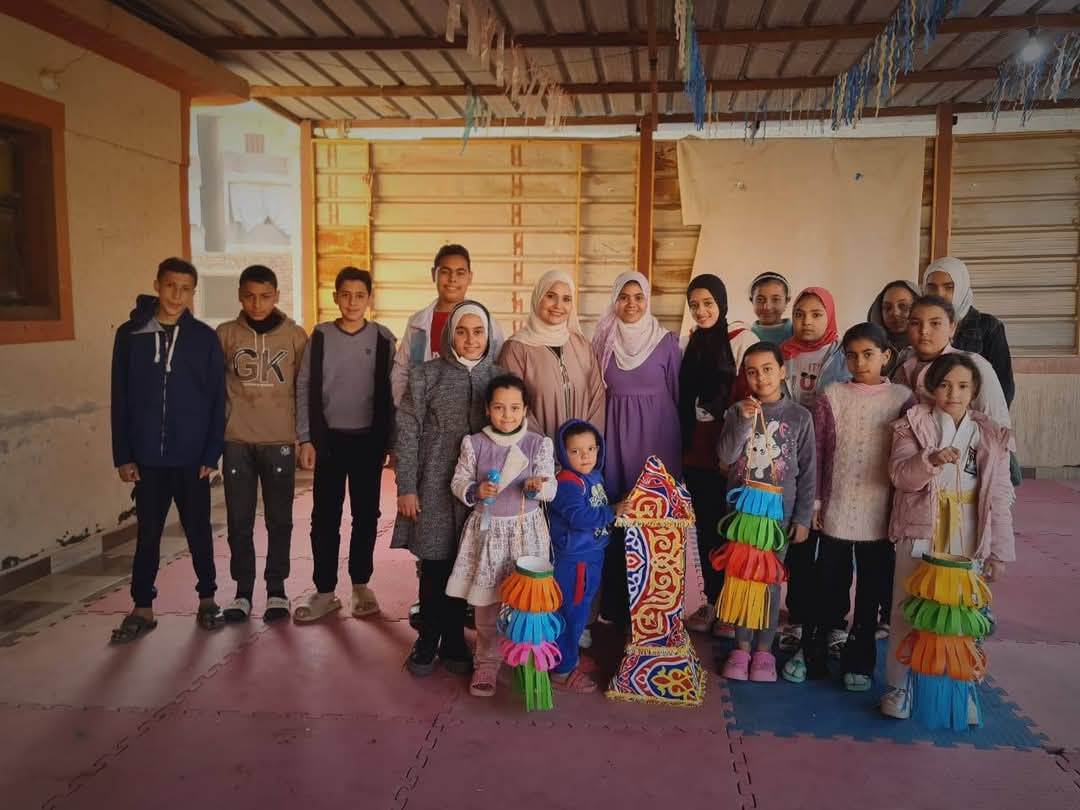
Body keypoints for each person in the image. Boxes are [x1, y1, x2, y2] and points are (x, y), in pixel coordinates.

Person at [881, 353, 1014, 721]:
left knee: (962, 613)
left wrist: (999, 552)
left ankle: (960, 688)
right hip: (920, 526)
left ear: (974, 391)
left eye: (963, 386)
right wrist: (931, 460)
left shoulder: (991, 435)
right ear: (931, 387)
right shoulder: (911, 425)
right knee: (907, 607)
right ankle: (900, 686)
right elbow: (900, 477)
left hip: (968, 532)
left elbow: (999, 495)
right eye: (945, 384)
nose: (953, 393)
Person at [783, 323, 915, 687]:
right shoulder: (833, 395)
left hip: (880, 512)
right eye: (852, 356)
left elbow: (907, 456)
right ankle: (810, 652)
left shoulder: (902, 399)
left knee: (871, 591)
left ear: (886, 356)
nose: (860, 363)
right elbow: (819, 451)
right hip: (836, 508)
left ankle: (859, 661)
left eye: (868, 354)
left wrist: (901, 511)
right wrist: (815, 504)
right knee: (826, 584)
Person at [109, 257, 226, 642]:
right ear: (157, 285)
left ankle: (207, 598)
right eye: (171, 286)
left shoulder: (204, 338)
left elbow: (217, 400)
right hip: (147, 459)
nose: (177, 295)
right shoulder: (130, 335)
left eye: (185, 289)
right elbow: (120, 397)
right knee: (148, 535)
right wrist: (124, 455)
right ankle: (142, 606)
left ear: (193, 293)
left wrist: (211, 454)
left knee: (199, 532)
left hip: (192, 459)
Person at [394, 301, 505, 677]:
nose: (470, 339)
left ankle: (456, 640)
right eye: (462, 331)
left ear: (488, 335)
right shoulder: (427, 374)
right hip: (434, 481)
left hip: (482, 486)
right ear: (449, 335)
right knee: (435, 563)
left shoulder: (498, 377)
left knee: (466, 562)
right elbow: (407, 431)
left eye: (478, 332)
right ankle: (428, 639)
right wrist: (407, 487)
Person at [293, 267, 395, 622]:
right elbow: (304, 386)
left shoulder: (383, 338)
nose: (352, 302)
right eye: (346, 295)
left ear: (370, 299)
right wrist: (306, 438)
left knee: (366, 515)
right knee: (325, 516)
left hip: (369, 441)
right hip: (329, 441)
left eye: (360, 295)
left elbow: (393, 394)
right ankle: (324, 591)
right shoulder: (320, 336)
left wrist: (392, 442)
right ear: (335, 297)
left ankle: (361, 585)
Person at [447, 375, 557, 697]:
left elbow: (550, 486)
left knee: (529, 601)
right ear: (487, 409)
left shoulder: (538, 443)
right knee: (488, 603)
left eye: (514, 408)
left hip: (527, 532)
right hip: (489, 534)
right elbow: (458, 481)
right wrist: (475, 490)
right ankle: (487, 661)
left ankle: (528, 658)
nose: (507, 415)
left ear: (525, 410)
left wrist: (537, 487)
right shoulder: (475, 443)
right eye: (499, 408)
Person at [716, 342, 815, 683]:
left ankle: (763, 651)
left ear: (782, 370)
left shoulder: (800, 417)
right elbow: (726, 457)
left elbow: (808, 472)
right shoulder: (736, 411)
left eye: (768, 369)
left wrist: (802, 518)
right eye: (752, 372)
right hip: (741, 513)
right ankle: (741, 648)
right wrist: (743, 422)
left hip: (778, 517)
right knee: (741, 578)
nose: (761, 378)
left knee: (769, 582)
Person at [217, 265, 309, 623]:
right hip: (236, 441)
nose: (257, 304)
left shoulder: (295, 337)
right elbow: (213, 391)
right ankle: (242, 592)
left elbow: (303, 390)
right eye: (250, 296)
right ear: (240, 296)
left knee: (279, 520)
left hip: (279, 441)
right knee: (238, 520)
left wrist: (304, 438)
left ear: (277, 296)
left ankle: (276, 590)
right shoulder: (225, 335)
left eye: (265, 296)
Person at [592, 271, 682, 627]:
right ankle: (615, 606)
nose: (631, 304)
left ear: (648, 300)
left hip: (658, 438)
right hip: (615, 436)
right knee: (619, 515)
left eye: (638, 297)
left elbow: (676, 391)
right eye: (624, 297)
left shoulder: (666, 341)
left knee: (653, 517)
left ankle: (654, 608)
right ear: (615, 300)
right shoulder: (603, 339)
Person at [678, 274, 757, 637]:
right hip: (697, 454)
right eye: (694, 305)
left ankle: (732, 608)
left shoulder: (740, 340)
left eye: (708, 303)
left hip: (731, 456)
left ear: (722, 303)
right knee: (707, 531)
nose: (701, 311)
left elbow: (751, 397)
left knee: (735, 531)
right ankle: (712, 601)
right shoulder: (692, 343)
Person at [778, 286, 851, 653]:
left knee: (836, 547)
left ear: (830, 316)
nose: (807, 321)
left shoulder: (842, 357)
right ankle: (798, 618)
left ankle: (834, 623)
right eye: (800, 314)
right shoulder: (784, 355)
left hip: (835, 463)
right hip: (794, 462)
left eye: (816, 314)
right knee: (800, 546)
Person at [548, 419, 626, 693]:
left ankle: (568, 658)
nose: (585, 456)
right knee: (570, 613)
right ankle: (562, 671)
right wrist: (613, 510)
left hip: (591, 556)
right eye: (576, 451)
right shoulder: (567, 482)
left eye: (591, 449)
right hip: (574, 560)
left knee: (579, 612)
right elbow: (580, 517)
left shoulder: (593, 476)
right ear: (563, 453)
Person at [391, 243, 505, 406]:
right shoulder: (417, 323)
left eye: (460, 273)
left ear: (470, 277)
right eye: (445, 272)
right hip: (426, 414)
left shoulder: (487, 323)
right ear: (433, 274)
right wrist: (408, 407)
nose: (452, 279)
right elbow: (401, 370)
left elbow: (498, 370)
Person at [498, 269, 605, 439]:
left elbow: (597, 401)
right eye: (550, 296)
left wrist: (584, 445)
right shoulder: (516, 349)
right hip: (534, 450)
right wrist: (542, 449)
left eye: (566, 299)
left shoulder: (583, 346)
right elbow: (511, 406)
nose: (558, 305)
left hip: (582, 452)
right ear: (538, 297)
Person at [923, 256, 1014, 405]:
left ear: (961, 288)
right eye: (932, 287)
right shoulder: (920, 326)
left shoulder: (988, 327)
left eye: (948, 287)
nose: (939, 294)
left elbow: (1004, 390)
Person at [867, 280, 920, 377]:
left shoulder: (930, 347)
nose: (895, 313)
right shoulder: (867, 345)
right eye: (887, 308)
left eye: (903, 306)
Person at [749, 272, 794, 344]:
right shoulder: (745, 336)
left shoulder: (798, 332)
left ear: (787, 301)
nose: (767, 307)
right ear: (752, 301)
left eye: (775, 299)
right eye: (760, 299)